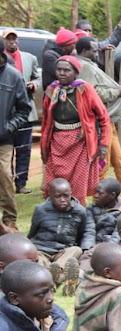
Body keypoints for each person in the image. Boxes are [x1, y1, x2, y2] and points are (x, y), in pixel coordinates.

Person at [40, 55, 109, 206]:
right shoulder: (51, 91)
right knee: (54, 182)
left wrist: (103, 144)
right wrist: (44, 145)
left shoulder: (85, 89)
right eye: (59, 70)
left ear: (76, 73)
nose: (62, 73)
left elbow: (104, 117)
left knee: (78, 187)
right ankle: (54, 216)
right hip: (57, 142)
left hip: (80, 142)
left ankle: (77, 216)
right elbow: (46, 121)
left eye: (66, 70)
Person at [76, 37, 121, 195]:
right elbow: (91, 93)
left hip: (108, 119)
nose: (96, 53)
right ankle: (99, 202)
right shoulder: (84, 67)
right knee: (102, 164)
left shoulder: (89, 64)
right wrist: (116, 92)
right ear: (83, 51)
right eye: (94, 50)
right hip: (99, 122)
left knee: (120, 161)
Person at [28, 178, 94, 295]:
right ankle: (57, 279)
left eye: (66, 196)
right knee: (37, 259)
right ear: (50, 195)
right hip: (43, 249)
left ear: (71, 194)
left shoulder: (79, 211)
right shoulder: (41, 210)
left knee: (76, 250)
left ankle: (52, 278)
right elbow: (33, 232)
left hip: (64, 250)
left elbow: (84, 232)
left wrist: (85, 248)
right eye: (58, 196)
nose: (62, 200)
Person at [2, 29, 39, 196]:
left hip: (25, 112)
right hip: (5, 114)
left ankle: (21, 183)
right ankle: (6, 182)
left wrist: (33, 84)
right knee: (6, 153)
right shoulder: (2, 60)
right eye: (8, 39)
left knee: (24, 149)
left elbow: (38, 77)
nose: (12, 42)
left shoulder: (30, 58)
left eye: (14, 39)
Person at [0, 36, 30, 235]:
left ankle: (10, 220)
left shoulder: (13, 76)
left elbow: (24, 110)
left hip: (3, 138)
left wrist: (8, 128)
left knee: (4, 175)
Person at [87, 178, 121, 244]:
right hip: (93, 246)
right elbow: (89, 230)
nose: (95, 196)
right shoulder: (92, 208)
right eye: (96, 192)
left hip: (111, 248)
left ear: (112, 195)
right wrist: (88, 249)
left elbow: (116, 236)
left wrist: (103, 250)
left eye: (100, 193)